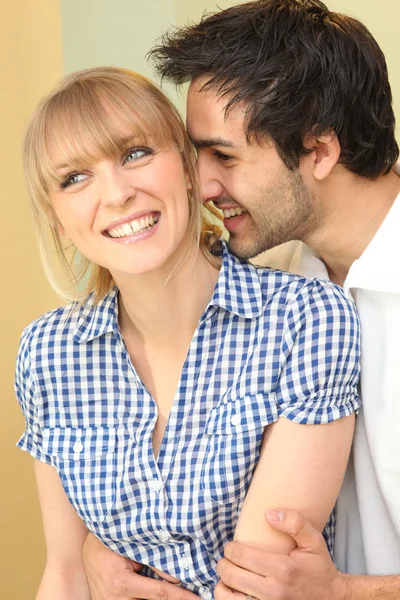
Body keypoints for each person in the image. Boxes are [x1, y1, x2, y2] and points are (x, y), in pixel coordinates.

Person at [80, 1, 400, 599]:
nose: (200, 185)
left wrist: (347, 592)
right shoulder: (263, 281)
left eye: (224, 156)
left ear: (321, 151)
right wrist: (100, 548)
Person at [15, 66, 360, 600]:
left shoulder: (304, 319)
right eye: (74, 178)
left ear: (189, 169)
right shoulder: (47, 354)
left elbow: (253, 585)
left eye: (135, 154)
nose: (116, 195)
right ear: (59, 219)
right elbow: (65, 574)